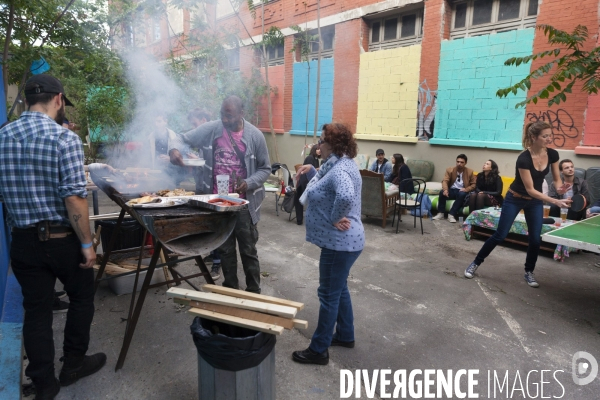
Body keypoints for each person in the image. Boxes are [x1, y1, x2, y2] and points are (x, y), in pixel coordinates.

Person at [0, 74, 105, 399]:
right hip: (62, 240)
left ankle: (44, 383)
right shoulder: (64, 139)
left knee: (37, 310)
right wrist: (87, 245)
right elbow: (75, 198)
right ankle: (73, 363)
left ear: (28, 100)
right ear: (58, 99)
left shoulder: (3, 136)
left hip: (23, 241)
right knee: (82, 297)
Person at [169, 96, 271, 293]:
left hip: (242, 203)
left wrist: (248, 183)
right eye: (222, 114)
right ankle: (230, 289)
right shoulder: (213, 129)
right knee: (225, 249)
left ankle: (254, 291)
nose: (224, 120)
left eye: (229, 115)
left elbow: (265, 168)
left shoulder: (255, 136)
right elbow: (180, 137)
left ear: (242, 114)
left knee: (248, 249)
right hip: (218, 201)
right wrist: (174, 149)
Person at [464, 121, 572, 288]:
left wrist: (561, 189)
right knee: (500, 234)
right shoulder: (523, 159)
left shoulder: (553, 154)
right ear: (534, 137)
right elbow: (530, 189)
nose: (549, 139)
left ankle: (529, 272)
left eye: (550, 135)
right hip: (515, 198)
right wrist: (554, 200)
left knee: (535, 239)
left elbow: (557, 180)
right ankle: (475, 263)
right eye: (545, 136)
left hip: (534, 202)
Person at [292, 123, 365, 366]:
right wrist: (313, 171)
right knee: (338, 288)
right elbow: (327, 189)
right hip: (345, 243)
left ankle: (319, 349)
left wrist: (335, 218)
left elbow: (344, 195)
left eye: (321, 140)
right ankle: (345, 335)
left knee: (328, 295)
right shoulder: (338, 163)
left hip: (339, 244)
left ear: (332, 144)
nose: (318, 144)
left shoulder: (339, 170)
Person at [431, 154, 476, 223]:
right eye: (458, 162)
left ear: (465, 163)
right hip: (451, 190)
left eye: (461, 162)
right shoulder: (450, 170)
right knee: (442, 192)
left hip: (462, 191)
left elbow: (474, 184)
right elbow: (445, 181)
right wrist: (445, 189)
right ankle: (441, 213)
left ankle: (451, 215)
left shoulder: (469, 172)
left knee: (462, 194)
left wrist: (466, 189)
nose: (459, 164)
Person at [294, 144, 321, 225]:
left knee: (300, 200)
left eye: (320, 149)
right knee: (299, 200)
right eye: (318, 149)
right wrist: (319, 169)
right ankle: (299, 220)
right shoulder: (310, 158)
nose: (319, 151)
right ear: (314, 150)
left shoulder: (316, 159)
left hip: (308, 181)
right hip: (304, 181)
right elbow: (308, 170)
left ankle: (301, 219)